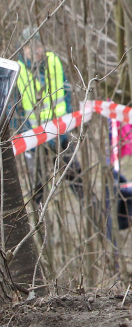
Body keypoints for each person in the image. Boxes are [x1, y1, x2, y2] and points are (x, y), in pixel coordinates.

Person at [16, 29, 81, 202]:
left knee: (77, 178)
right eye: (32, 47)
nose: (37, 51)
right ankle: (40, 226)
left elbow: (67, 95)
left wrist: (68, 123)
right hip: (34, 139)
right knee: (38, 188)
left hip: (61, 134)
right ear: (24, 49)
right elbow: (14, 112)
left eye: (39, 46)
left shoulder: (54, 62)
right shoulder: (18, 71)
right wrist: (24, 136)